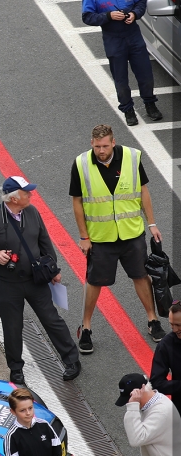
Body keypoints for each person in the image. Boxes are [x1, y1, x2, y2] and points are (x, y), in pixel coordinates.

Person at [0, 176, 80, 383]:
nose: (30, 195)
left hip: (35, 279)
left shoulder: (32, 211)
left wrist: (53, 269)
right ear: (13, 199)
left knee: (51, 318)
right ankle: (16, 369)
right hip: (7, 284)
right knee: (12, 326)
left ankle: (72, 360)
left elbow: (44, 241)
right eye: (26, 192)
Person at [71, 124, 164, 352]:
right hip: (101, 238)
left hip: (132, 233)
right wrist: (84, 236)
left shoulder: (132, 157)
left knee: (141, 276)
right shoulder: (81, 163)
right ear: (91, 143)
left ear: (113, 143)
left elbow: (143, 191)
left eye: (105, 146)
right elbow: (77, 202)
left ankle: (153, 320)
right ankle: (86, 327)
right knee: (94, 282)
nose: (100, 151)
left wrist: (151, 223)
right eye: (97, 146)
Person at [82, 0, 162, 126]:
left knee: (145, 74)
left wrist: (134, 14)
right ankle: (128, 110)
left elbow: (141, 2)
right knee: (121, 79)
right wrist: (108, 16)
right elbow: (87, 17)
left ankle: (150, 104)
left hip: (133, 35)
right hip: (113, 39)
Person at [117, 373, 181, 456]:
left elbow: (136, 439)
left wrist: (133, 406)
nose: (127, 403)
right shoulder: (155, 402)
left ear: (140, 392)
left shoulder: (161, 412)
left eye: (128, 399)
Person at [150, 303, 181, 417]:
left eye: (178, 325)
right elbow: (157, 383)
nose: (175, 329)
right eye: (172, 325)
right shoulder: (166, 345)